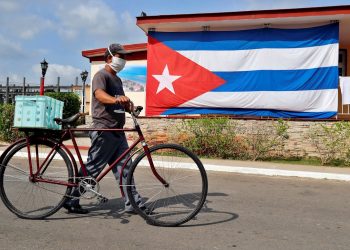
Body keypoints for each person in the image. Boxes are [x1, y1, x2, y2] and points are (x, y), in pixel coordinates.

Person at [63, 43, 144, 214]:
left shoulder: (117, 79)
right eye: (120, 56)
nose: (123, 60)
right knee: (93, 168)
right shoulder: (101, 75)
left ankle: (133, 203)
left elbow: (118, 100)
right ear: (109, 58)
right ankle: (71, 199)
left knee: (125, 168)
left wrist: (129, 106)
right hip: (104, 129)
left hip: (117, 130)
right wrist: (116, 100)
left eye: (124, 57)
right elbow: (100, 94)